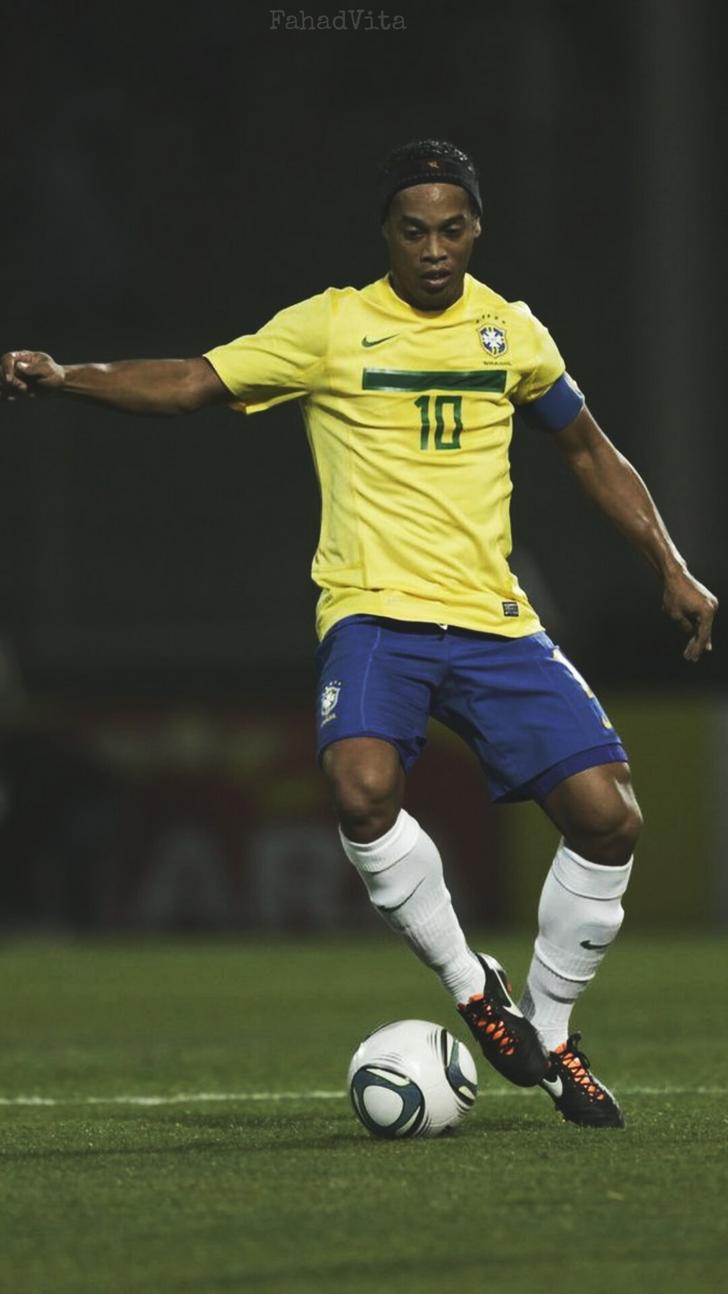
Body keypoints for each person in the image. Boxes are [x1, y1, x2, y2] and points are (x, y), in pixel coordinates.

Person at [1, 139, 717, 1127]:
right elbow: (193, 381)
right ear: (386, 231)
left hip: (492, 619)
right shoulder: (332, 327)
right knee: (360, 787)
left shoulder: (511, 333)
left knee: (610, 818)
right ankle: (472, 984)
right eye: (414, 231)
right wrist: (63, 377)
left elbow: (590, 450)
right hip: (374, 611)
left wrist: (670, 566)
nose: (434, 249)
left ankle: (549, 1036)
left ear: (477, 228)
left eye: (452, 229)